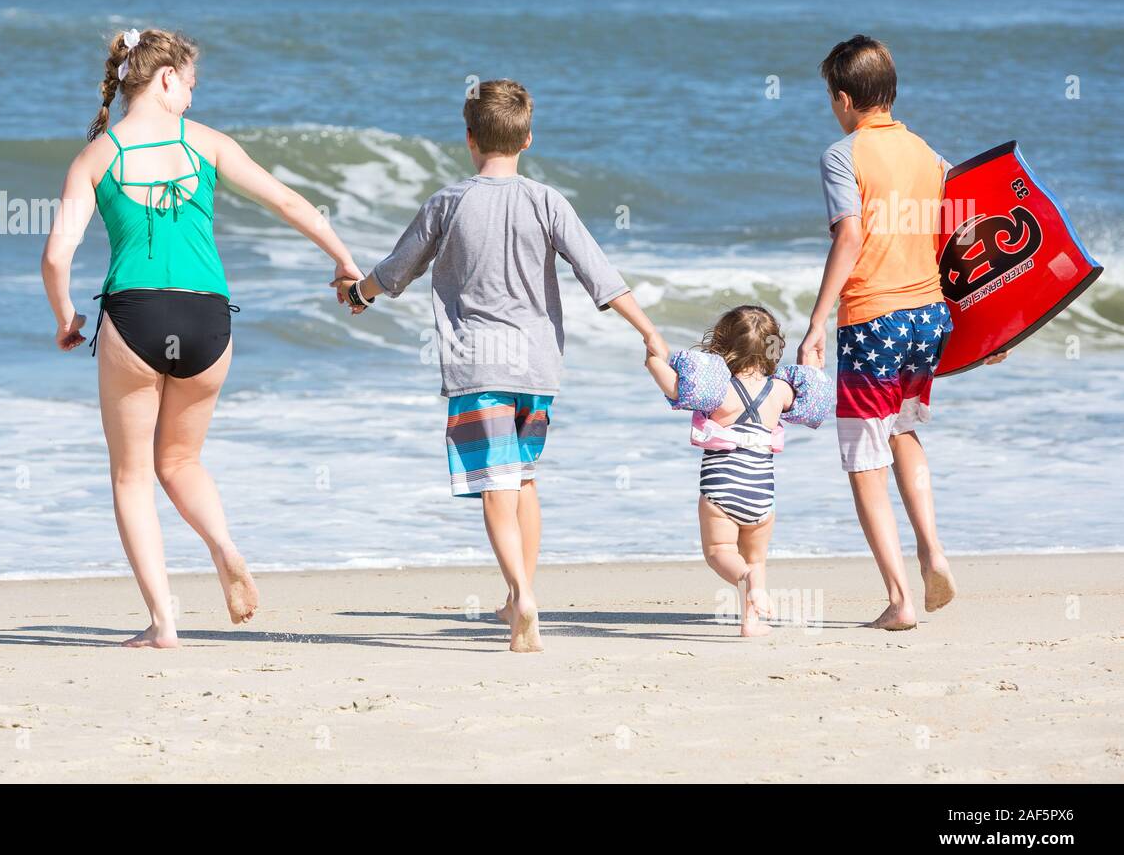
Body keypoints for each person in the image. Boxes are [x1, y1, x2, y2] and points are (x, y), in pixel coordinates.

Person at [41, 28, 363, 648]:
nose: (191, 96)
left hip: (135, 317)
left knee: (132, 475)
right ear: (166, 79)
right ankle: (225, 547)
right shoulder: (208, 143)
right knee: (182, 461)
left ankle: (164, 622)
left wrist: (65, 318)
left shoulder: (95, 157)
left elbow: (58, 257)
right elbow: (291, 204)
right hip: (209, 321)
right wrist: (344, 262)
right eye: (190, 84)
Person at [336, 79, 666, 652]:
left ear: (468, 138)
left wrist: (357, 295)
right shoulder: (547, 201)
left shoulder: (448, 202)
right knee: (524, 480)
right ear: (528, 138)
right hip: (538, 368)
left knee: (495, 485)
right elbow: (601, 276)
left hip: (478, 365)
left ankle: (521, 597)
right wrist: (649, 331)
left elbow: (395, 271)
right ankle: (520, 594)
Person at [796, 34, 1006, 630]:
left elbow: (850, 237)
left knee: (863, 459)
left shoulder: (843, 155)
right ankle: (932, 550)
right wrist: (991, 329)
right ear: (890, 92)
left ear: (843, 99)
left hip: (873, 319)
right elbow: (964, 237)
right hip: (928, 318)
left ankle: (899, 599)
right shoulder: (926, 153)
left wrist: (816, 323)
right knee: (904, 434)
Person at [647, 306, 833, 636]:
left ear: (720, 345)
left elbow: (674, 388)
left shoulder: (717, 390)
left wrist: (653, 359)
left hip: (722, 491)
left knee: (720, 552)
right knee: (756, 559)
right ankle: (751, 620)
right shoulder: (779, 391)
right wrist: (813, 369)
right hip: (762, 494)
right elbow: (810, 390)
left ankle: (744, 580)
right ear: (774, 348)